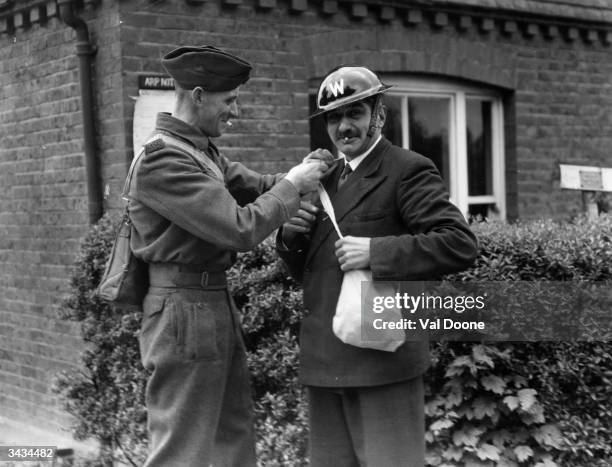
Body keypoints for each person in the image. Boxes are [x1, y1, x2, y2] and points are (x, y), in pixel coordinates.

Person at [126, 45, 332, 467]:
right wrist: (293, 186)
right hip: (182, 313)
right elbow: (240, 228)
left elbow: (261, 184)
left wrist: (313, 172)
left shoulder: (201, 151)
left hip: (210, 304)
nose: (234, 111)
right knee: (182, 450)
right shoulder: (162, 158)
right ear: (198, 95)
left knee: (232, 438)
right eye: (229, 100)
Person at [277, 66, 478, 466]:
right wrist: (288, 237)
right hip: (324, 361)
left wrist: (377, 251)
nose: (344, 127)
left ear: (379, 116)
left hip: (381, 362)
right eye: (334, 118)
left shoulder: (407, 169)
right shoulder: (323, 177)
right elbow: (310, 272)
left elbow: (459, 243)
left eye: (355, 113)